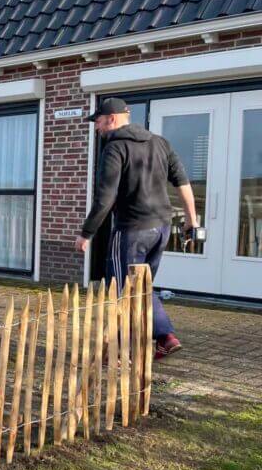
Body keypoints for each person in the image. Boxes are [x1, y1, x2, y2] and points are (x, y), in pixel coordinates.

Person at [74, 97, 199, 360]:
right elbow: (183, 182)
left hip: (132, 230)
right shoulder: (160, 143)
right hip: (162, 227)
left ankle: (137, 344)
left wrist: (87, 233)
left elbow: (105, 197)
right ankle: (153, 340)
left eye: (97, 121)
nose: (96, 128)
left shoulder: (115, 148)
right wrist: (191, 220)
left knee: (123, 289)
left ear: (112, 118)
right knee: (141, 287)